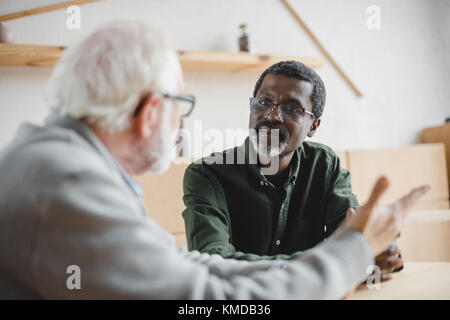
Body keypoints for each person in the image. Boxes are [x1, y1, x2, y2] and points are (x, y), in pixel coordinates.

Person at [0, 20, 428, 299]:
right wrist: (351, 254)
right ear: (152, 112)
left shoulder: (52, 162)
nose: (272, 116)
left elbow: (180, 263)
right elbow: (207, 301)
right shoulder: (68, 182)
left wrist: (355, 250)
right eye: (181, 102)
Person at [182, 61, 404, 280]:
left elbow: (356, 238)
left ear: (313, 126)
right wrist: (334, 264)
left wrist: (377, 248)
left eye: (291, 109)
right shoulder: (207, 174)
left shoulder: (324, 165)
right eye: (264, 102)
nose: (272, 116)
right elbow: (213, 263)